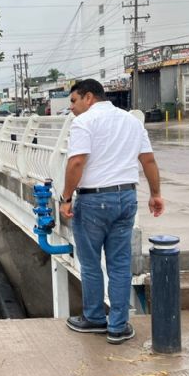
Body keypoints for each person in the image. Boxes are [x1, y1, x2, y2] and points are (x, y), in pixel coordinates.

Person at [59, 79, 164, 344]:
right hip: (126, 197)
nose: (71, 107)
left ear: (89, 97)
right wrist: (155, 194)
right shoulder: (131, 121)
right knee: (119, 264)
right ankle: (118, 326)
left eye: (74, 100)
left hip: (94, 200)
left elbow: (77, 162)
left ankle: (94, 318)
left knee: (91, 263)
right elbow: (148, 160)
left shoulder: (84, 122)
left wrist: (66, 197)